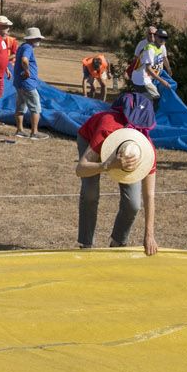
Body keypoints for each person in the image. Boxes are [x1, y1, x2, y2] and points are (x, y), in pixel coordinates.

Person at [75, 91, 159, 255]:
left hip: (124, 153)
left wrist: (149, 235)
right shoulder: (106, 129)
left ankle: (118, 242)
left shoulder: (147, 151)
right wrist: (107, 165)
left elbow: (149, 195)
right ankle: (85, 244)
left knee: (133, 203)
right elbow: (81, 169)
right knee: (90, 193)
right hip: (91, 138)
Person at [13, 27, 46, 138]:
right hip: (28, 84)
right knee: (35, 107)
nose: (39, 41)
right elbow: (24, 60)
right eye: (37, 38)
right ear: (32, 39)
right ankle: (34, 132)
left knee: (20, 107)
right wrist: (27, 71)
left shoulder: (21, 47)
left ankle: (19, 130)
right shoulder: (28, 48)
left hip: (19, 83)